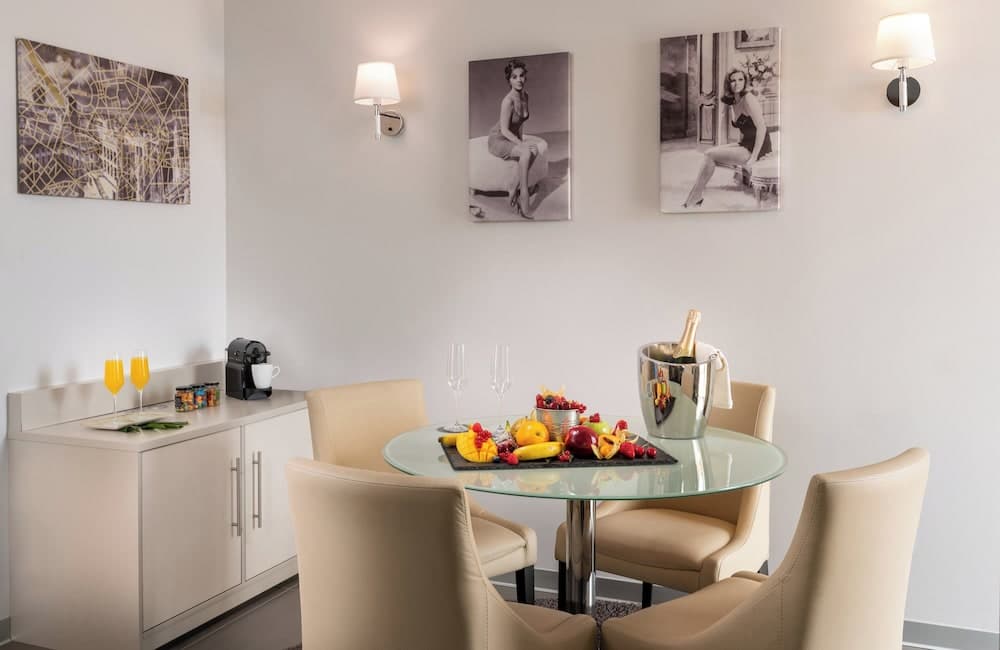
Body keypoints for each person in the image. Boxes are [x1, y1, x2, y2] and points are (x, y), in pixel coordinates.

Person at [683, 68, 771, 208]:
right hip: (746, 143)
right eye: (733, 80)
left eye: (740, 79)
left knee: (709, 154)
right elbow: (740, 126)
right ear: (728, 84)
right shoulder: (733, 100)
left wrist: (753, 157)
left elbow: (761, 128)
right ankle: (695, 197)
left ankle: (694, 198)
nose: (737, 83)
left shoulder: (748, 98)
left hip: (758, 147)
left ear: (745, 81)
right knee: (709, 153)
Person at [487, 59, 543, 219]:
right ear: (509, 80)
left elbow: (520, 124)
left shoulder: (526, 96)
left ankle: (513, 187)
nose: (519, 80)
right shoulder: (507, 101)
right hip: (498, 139)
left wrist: (521, 141)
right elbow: (504, 130)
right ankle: (523, 199)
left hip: (511, 138)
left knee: (534, 150)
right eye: (514, 77)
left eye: (521, 75)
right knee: (526, 152)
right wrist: (521, 145)